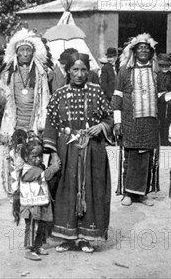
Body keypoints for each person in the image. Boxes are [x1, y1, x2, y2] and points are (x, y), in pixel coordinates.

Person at [43, 52, 114, 253]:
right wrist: (54, 153)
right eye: (75, 69)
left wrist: (101, 126)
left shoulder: (96, 91)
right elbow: (51, 125)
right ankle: (66, 237)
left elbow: (109, 117)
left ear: (88, 71)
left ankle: (86, 238)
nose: (79, 74)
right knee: (65, 190)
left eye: (83, 69)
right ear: (68, 71)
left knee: (91, 190)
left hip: (92, 151)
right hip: (66, 151)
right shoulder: (59, 94)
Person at [0, 29, 51, 193]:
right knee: (14, 157)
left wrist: (43, 121)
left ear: (33, 52)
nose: (24, 54)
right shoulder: (8, 73)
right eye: (21, 50)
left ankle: (31, 187)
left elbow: (45, 98)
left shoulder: (40, 72)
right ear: (15, 52)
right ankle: (14, 189)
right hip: (14, 124)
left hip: (33, 122)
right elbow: (1, 101)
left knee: (33, 155)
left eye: (28, 50)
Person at [112, 33, 160, 206]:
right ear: (133, 51)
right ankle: (127, 193)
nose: (143, 51)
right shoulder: (124, 71)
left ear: (150, 52)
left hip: (149, 122)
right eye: (139, 48)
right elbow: (117, 97)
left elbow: (161, 96)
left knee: (146, 157)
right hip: (130, 121)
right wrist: (117, 121)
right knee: (130, 157)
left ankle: (142, 194)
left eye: (146, 49)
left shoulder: (156, 72)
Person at [12, 131, 60, 261]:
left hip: (40, 203)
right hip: (32, 205)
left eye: (39, 156)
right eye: (34, 156)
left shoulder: (38, 167)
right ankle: (29, 249)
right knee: (32, 226)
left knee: (41, 226)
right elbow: (46, 175)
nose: (37, 159)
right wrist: (54, 168)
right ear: (26, 157)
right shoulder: (29, 170)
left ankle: (38, 246)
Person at [156, 53, 171, 146]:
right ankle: (160, 140)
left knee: (169, 121)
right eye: (162, 66)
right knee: (160, 120)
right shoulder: (157, 76)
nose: (165, 67)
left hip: (170, 101)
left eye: (167, 66)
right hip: (159, 101)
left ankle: (168, 139)